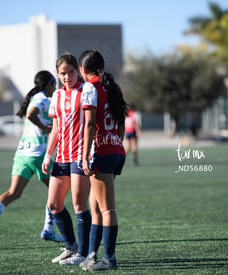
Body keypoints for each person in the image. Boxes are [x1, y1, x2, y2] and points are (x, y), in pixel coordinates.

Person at [0, 70, 64, 247]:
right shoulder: (42, 99)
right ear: (47, 84)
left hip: (23, 154)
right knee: (57, 192)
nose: (55, 87)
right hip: (38, 154)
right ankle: (48, 229)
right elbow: (31, 114)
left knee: (13, 193)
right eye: (54, 83)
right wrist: (45, 127)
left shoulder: (35, 98)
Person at [79, 49, 128, 271]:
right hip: (117, 151)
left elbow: (89, 124)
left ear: (83, 69)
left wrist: (84, 155)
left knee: (107, 209)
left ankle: (109, 259)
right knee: (95, 204)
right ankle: (91, 255)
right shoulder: (113, 86)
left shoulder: (91, 87)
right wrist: (114, 142)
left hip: (101, 151)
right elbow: (120, 124)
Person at [42, 53, 91, 266]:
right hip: (61, 157)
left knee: (79, 204)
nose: (67, 76)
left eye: (71, 72)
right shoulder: (57, 96)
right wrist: (48, 154)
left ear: (77, 71)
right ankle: (72, 246)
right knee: (54, 204)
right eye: (63, 73)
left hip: (81, 156)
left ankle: (86, 252)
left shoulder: (86, 91)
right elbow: (55, 129)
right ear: (58, 74)